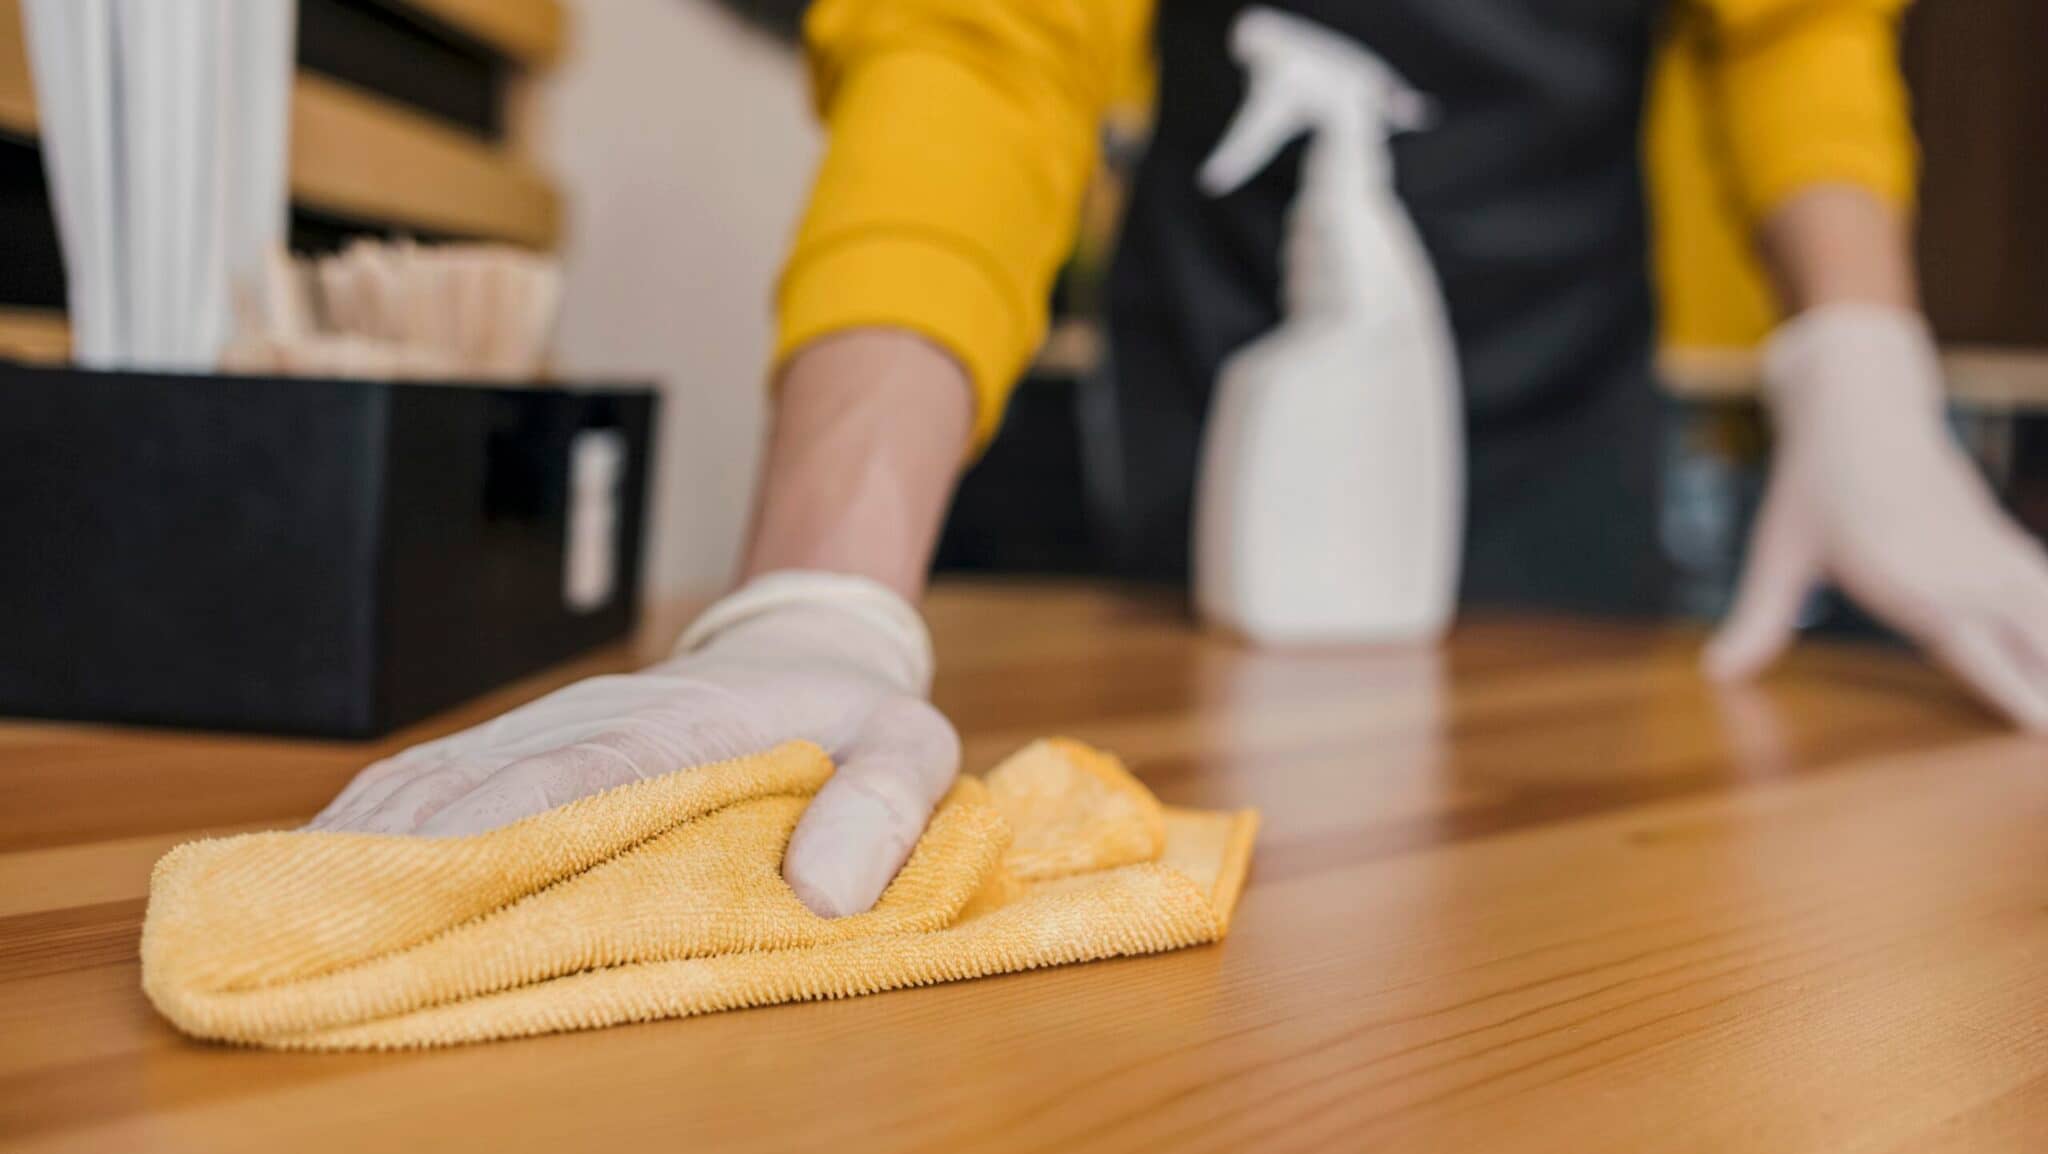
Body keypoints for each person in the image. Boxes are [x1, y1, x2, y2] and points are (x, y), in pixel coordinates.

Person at [312, 0, 2048, 918]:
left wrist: (1861, 354)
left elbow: (1799, 26)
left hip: (1562, 421)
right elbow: (973, 46)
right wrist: (822, 585)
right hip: (1220, 410)